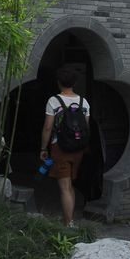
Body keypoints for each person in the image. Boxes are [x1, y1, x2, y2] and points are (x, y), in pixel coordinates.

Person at [39, 66, 90, 227]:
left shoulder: (54, 101)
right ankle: (70, 220)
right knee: (70, 185)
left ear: (59, 82)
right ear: (74, 83)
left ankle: (68, 224)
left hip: (60, 148)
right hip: (78, 149)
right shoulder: (83, 102)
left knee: (64, 187)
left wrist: (43, 148)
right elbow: (86, 127)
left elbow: (48, 127)